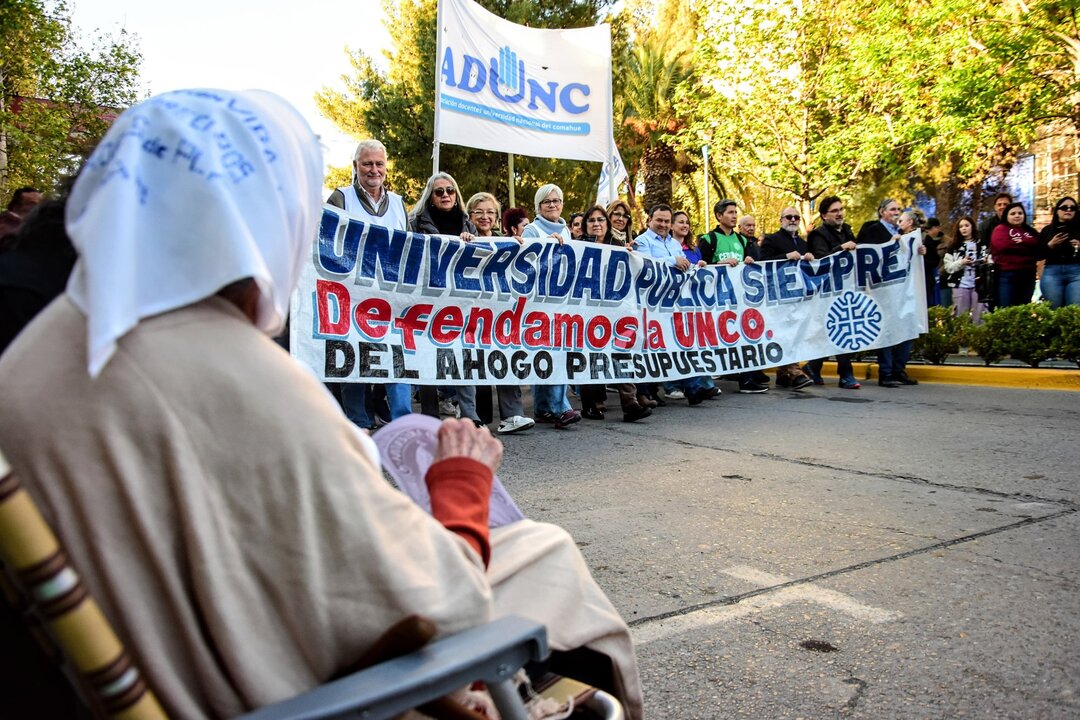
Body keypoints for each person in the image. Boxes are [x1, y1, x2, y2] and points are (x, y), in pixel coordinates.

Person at [0, 89, 643, 719]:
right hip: (298, 688)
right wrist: (463, 482)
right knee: (549, 552)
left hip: (154, 662)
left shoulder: (30, 357)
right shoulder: (241, 373)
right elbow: (433, 601)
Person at [327, 139, 413, 429]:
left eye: (379, 164)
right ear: (355, 166)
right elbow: (326, 244)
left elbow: (415, 250)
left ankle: (402, 420)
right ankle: (357, 420)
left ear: (386, 168)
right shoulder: (341, 198)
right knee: (353, 357)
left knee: (396, 357)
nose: (373, 169)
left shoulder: (400, 204)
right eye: (367, 163)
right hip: (352, 295)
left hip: (392, 298)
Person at [410, 173, 484, 426]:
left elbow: (482, 257)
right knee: (428, 354)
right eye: (439, 191)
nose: (445, 195)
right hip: (427, 295)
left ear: (456, 195)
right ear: (430, 196)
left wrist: (471, 242)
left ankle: (470, 415)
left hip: (461, 297)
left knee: (465, 353)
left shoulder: (468, 223)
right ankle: (429, 415)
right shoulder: (415, 222)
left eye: (450, 191)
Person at [632, 204, 719, 405]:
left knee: (681, 344)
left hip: (675, 304)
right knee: (651, 348)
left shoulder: (674, 244)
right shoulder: (641, 241)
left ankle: (694, 388)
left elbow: (683, 267)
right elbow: (645, 264)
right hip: (650, 305)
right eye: (659, 220)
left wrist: (697, 266)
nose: (663, 224)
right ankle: (647, 392)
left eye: (666, 221)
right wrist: (673, 260)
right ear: (649, 221)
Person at [465, 192, 536, 435]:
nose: (485, 217)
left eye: (490, 213)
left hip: (499, 313)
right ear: (470, 215)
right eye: (479, 212)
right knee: (474, 361)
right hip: (469, 311)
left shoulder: (506, 241)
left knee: (504, 356)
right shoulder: (463, 237)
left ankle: (512, 415)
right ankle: (476, 417)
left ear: (496, 218)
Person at [576, 205, 652, 423]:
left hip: (615, 310)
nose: (596, 224)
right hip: (585, 312)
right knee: (590, 356)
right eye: (591, 221)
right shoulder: (576, 246)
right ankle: (591, 405)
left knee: (622, 352)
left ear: (607, 224)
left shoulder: (619, 246)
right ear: (585, 225)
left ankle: (630, 404)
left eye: (601, 220)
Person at [522, 185, 581, 428]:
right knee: (548, 353)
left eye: (557, 200)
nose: (553, 205)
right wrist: (545, 246)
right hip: (539, 303)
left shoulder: (567, 230)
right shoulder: (531, 229)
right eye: (547, 201)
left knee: (557, 352)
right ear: (538, 206)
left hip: (564, 302)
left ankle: (545, 407)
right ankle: (560, 407)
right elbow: (524, 262)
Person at [699, 199, 768, 393]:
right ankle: (707, 380)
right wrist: (719, 265)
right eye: (730, 212)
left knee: (744, 336)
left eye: (735, 212)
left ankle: (747, 380)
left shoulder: (743, 240)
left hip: (739, 298)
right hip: (716, 300)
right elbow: (701, 266)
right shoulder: (709, 239)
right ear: (719, 216)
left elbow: (752, 264)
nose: (734, 216)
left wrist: (749, 260)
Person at [805, 196, 860, 389]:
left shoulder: (847, 230)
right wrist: (841, 248)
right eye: (834, 211)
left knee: (831, 331)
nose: (839, 213)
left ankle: (813, 367)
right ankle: (846, 375)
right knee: (840, 330)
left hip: (845, 290)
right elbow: (820, 260)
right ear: (823, 215)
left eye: (841, 209)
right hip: (826, 292)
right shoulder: (818, 235)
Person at [760, 207, 815, 389]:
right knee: (784, 333)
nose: (793, 220)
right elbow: (763, 263)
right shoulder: (772, 239)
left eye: (796, 217)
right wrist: (785, 257)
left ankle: (784, 374)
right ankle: (794, 371)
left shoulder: (802, 243)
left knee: (795, 333)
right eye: (789, 217)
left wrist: (809, 258)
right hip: (778, 296)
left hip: (797, 297)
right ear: (781, 219)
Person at [941, 216, 989, 327]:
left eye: (967, 225)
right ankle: (962, 343)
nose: (964, 228)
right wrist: (962, 262)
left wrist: (984, 262)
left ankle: (979, 341)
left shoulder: (981, 244)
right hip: (960, 285)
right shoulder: (953, 246)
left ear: (972, 227)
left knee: (980, 316)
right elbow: (948, 267)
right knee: (960, 316)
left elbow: (989, 262)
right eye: (961, 226)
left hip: (979, 285)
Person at [989, 202, 1040, 307]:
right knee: (1006, 309)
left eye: (1020, 213)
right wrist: (1027, 243)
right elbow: (1003, 246)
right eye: (1013, 214)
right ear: (1006, 216)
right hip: (1006, 275)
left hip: (1028, 275)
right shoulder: (1000, 229)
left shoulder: (1031, 231)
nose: (1017, 216)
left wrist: (1021, 240)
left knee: (1024, 308)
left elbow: (1038, 246)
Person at [1038, 197, 1080, 308]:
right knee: (1054, 309)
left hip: (1076, 271)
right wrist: (1050, 244)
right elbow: (1038, 255)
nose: (1069, 210)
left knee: (1074, 310)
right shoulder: (1047, 230)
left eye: (1073, 208)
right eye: (1064, 207)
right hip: (1052, 272)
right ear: (1057, 211)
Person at [923, 218, 944, 307]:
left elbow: (940, 260)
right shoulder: (924, 240)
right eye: (927, 229)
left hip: (941, 278)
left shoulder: (946, 241)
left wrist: (939, 272)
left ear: (937, 228)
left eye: (930, 228)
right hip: (928, 277)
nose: (928, 231)